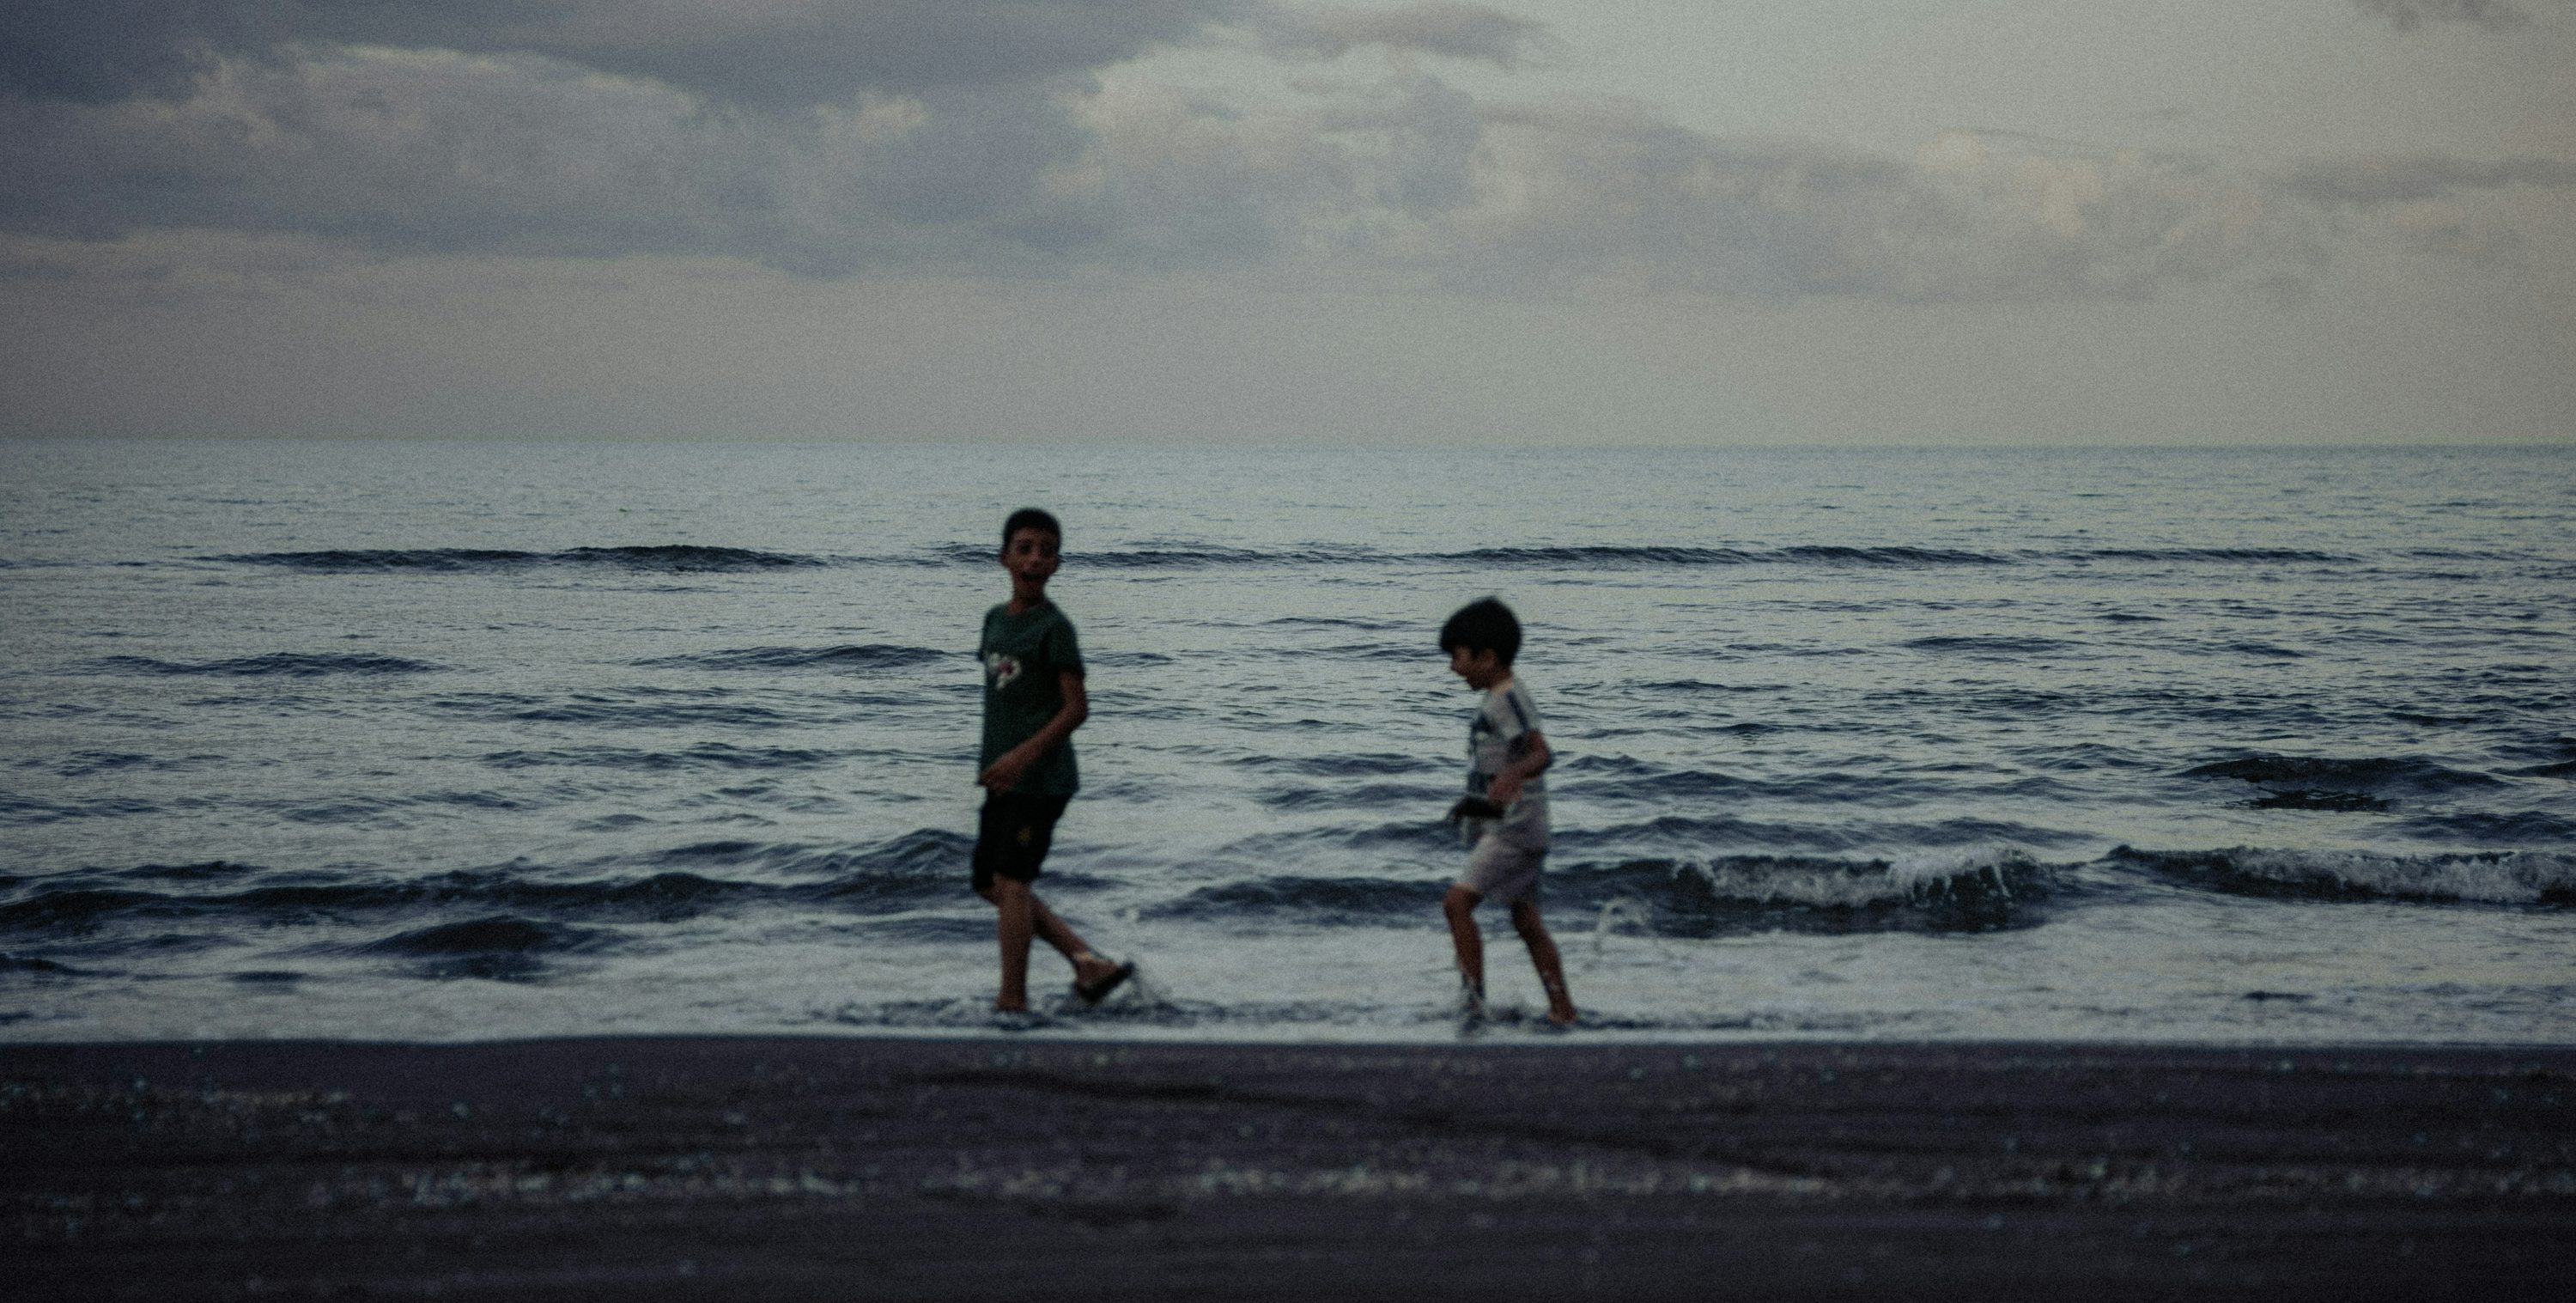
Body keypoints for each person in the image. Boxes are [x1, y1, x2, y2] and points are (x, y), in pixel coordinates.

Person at [971, 508, 1132, 1013]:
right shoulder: (994, 620)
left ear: (1057, 565)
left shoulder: (1055, 628)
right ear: (1004, 558)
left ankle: (1012, 1000)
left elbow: (1077, 709)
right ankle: (1088, 962)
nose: (1035, 559)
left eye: (1046, 551)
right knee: (989, 883)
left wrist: (1021, 757)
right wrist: (998, 761)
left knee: (1013, 882)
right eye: (1025, 549)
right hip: (1003, 777)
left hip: (1041, 780)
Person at [1438, 597, 1577, 1026]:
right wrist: (1474, 804)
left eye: (1457, 657)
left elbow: (1541, 753)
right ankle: (1562, 1008)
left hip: (1516, 831)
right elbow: (1495, 763)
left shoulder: (1509, 698)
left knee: (1457, 903)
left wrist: (1514, 774)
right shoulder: (1498, 697)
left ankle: (1473, 1004)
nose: (1453, 669)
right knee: (1525, 919)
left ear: (1487, 657)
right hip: (1517, 825)